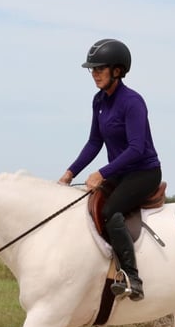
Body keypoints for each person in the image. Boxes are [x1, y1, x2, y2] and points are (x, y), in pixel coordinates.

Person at [58, 38, 162, 301]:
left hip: (143, 172)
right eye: (92, 70)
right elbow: (95, 142)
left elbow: (137, 149)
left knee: (110, 210)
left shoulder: (133, 102)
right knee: (85, 203)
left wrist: (102, 173)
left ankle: (132, 277)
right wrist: (70, 173)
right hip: (120, 172)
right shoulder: (99, 101)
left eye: (99, 69)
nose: (94, 74)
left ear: (117, 70)